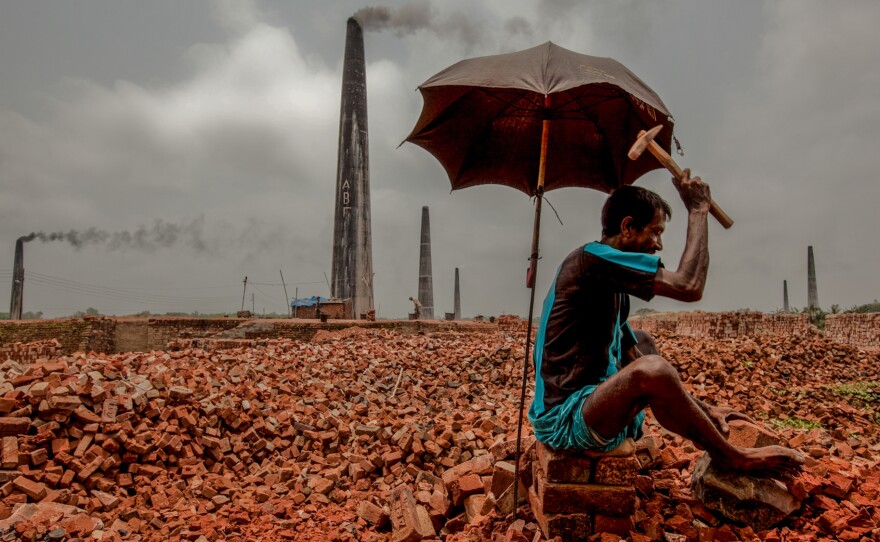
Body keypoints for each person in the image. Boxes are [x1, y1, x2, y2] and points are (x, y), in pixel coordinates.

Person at [528, 170, 803, 476]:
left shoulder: (610, 281)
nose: (658, 245)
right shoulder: (590, 261)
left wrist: (702, 408)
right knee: (654, 370)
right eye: (655, 232)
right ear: (628, 227)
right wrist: (699, 210)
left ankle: (703, 426)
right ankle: (733, 457)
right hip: (564, 420)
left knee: (642, 343)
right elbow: (689, 286)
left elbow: (631, 355)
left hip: (589, 403)